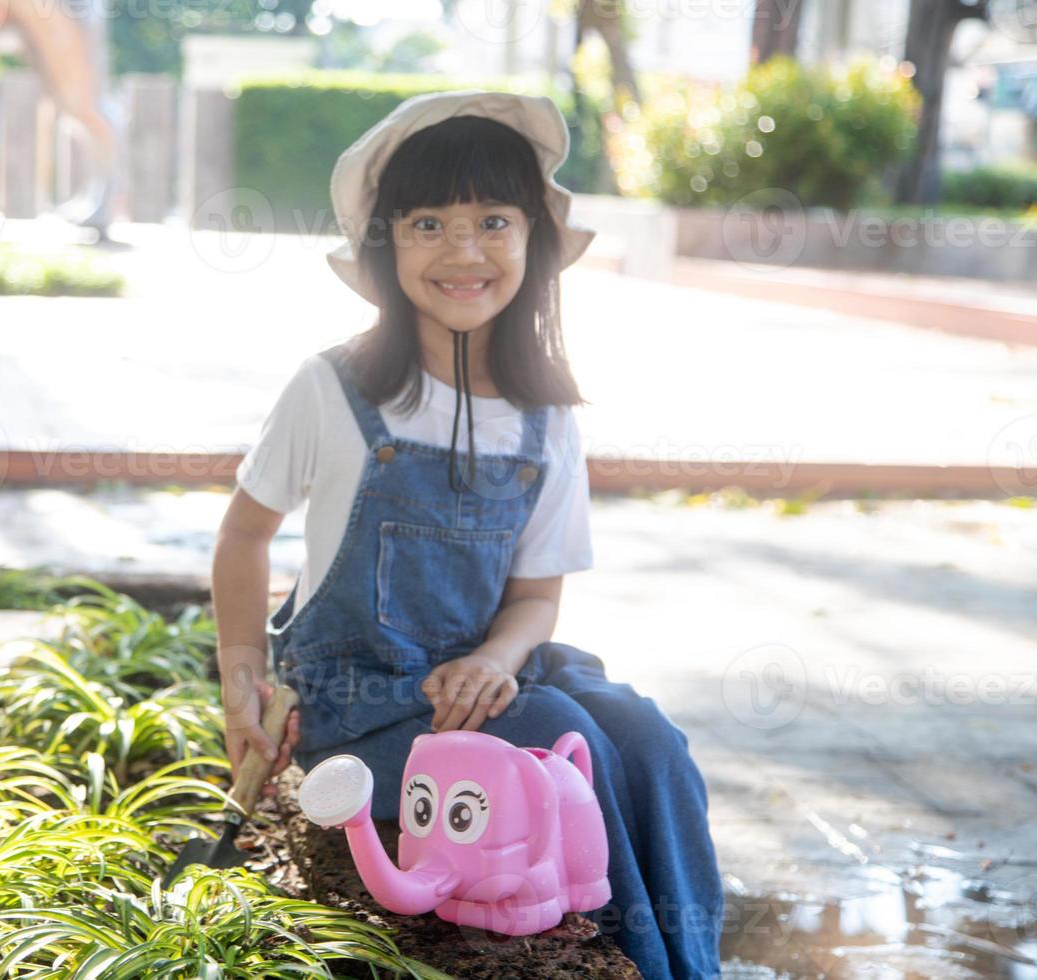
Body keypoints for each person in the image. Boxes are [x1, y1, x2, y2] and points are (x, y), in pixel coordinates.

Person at [210, 89, 724, 980]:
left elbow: (536, 598)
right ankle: (644, 961)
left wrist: (497, 658)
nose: (464, 251)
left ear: (533, 238)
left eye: (493, 219)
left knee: (645, 737)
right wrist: (242, 678)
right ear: (387, 244)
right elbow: (245, 535)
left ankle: (693, 961)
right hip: (362, 702)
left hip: (491, 678)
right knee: (554, 737)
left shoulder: (544, 417)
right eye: (428, 223)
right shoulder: (333, 390)